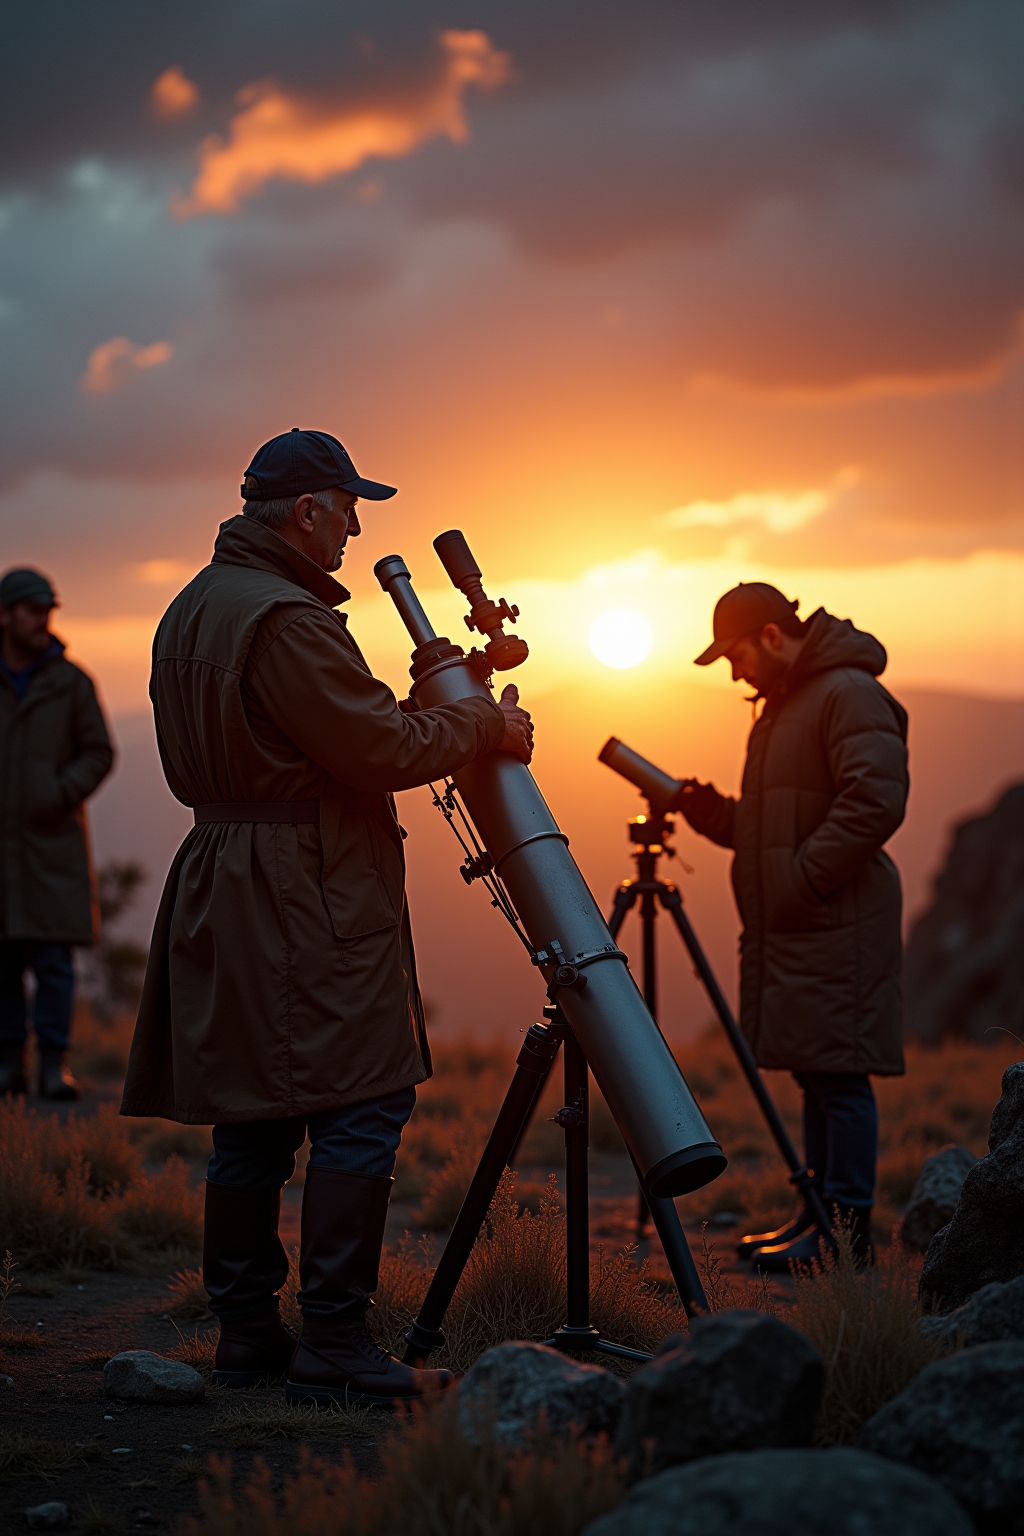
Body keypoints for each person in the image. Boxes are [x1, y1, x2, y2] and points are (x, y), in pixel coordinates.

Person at [121, 428, 533, 1406]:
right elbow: (378, 750)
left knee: (252, 1111)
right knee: (364, 1097)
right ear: (306, 512)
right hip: (303, 883)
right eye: (347, 511)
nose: (353, 530)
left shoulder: (193, 605)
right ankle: (336, 1342)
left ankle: (247, 1332)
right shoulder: (289, 619)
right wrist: (483, 721)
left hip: (222, 875)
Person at [676, 582, 908, 1269]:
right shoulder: (787, 703)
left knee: (840, 1078)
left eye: (737, 655)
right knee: (816, 1071)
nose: (734, 672)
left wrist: (802, 881)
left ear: (773, 636)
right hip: (809, 921)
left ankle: (847, 1238)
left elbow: (876, 799)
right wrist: (712, 814)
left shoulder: (846, 692)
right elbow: (774, 824)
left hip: (836, 920)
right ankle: (820, 1219)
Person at [0, 568, 114, 1099]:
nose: (42, 619)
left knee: (53, 962)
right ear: (5, 614)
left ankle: (53, 1065)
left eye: (47, 609)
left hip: (52, 844)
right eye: (31, 610)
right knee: (3, 961)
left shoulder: (72, 683)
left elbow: (99, 752)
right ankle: (8, 1064)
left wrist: (59, 792)